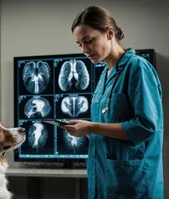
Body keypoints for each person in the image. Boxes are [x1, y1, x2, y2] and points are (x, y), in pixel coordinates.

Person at [62, 5, 164, 199]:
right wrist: (83, 129)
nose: (84, 49)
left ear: (109, 33)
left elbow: (146, 126)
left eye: (88, 40)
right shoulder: (105, 76)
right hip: (104, 180)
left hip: (132, 184)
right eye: (79, 44)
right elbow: (108, 127)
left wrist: (91, 127)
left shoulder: (137, 68)